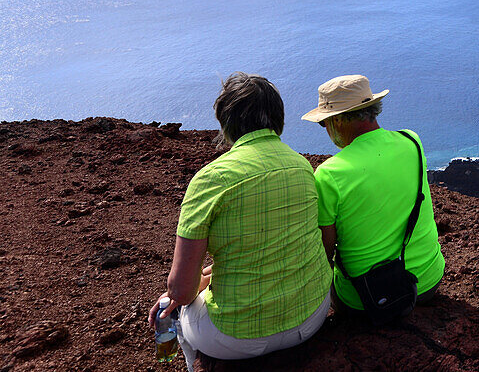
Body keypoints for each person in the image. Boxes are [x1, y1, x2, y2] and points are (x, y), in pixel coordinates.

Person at [148, 73, 331, 371]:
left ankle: (189, 364)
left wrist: (180, 294)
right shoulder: (303, 167)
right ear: (278, 119)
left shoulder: (211, 179)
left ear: (226, 122)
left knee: (171, 309)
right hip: (311, 318)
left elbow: (181, 290)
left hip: (236, 338)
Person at [302, 75, 445, 313]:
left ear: (337, 121)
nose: (325, 129)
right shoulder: (412, 141)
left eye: (323, 123)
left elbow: (325, 252)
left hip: (366, 299)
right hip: (428, 281)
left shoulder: (329, 174)